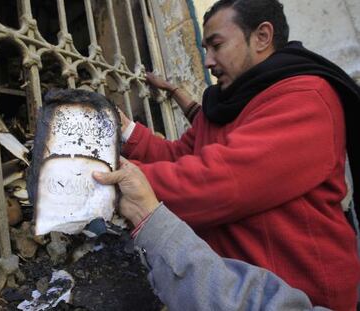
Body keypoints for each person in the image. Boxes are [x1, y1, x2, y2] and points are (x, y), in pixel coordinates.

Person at [118, 0, 360, 310]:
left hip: (297, 295)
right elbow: (179, 155)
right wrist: (127, 132)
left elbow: (219, 181)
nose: (208, 61)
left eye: (216, 45)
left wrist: (112, 176)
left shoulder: (306, 98)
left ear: (262, 37)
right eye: (204, 49)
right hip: (225, 289)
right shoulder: (224, 102)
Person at [93, 159, 330, 310]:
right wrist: (134, 133)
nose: (214, 75)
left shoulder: (305, 95)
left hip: (302, 277)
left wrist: (143, 192)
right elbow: (186, 150)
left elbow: (223, 182)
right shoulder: (230, 101)